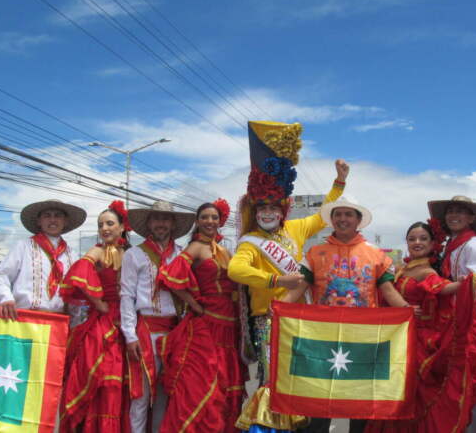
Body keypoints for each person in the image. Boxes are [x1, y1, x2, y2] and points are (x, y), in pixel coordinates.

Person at [228, 120, 348, 432]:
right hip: (267, 319)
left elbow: (323, 215)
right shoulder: (251, 242)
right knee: (272, 380)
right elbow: (236, 269)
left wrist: (339, 182)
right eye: (262, 208)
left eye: (273, 207)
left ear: (283, 210)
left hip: (298, 316)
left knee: (297, 377)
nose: (268, 212)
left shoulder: (295, 229)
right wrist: (277, 281)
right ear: (255, 212)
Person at [296, 197, 407, 433]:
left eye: (348, 214)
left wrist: (408, 311)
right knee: (320, 401)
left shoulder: (376, 255)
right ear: (332, 219)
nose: (342, 219)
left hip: (363, 339)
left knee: (360, 401)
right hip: (323, 338)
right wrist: (277, 309)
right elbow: (299, 288)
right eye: (338, 214)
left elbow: (388, 291)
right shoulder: (314, 253)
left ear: (358, 220)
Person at [365, 219, 476, 433]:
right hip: (398, 337)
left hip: (418, 340)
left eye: (423, 238)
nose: (417, 242)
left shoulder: (427, 272)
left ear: (432, 244)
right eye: (412, 239)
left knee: (414, 394)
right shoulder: (403, 269)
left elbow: (443, 288)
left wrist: (465, 283)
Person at [158, 199, 243, 433]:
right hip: (207, 325)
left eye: (214, 217)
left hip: (229, 325)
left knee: (224, 385)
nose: (209, 221)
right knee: (202, 385)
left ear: (220, 221)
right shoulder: (195, 247)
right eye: (204, 217)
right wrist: (194, 304)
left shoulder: (225, 251)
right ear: (197, 221)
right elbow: (169, 278)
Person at [120, 200, 194, 433]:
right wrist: (130, 335)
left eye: (165, 219)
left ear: (173, 224)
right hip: (145, 331)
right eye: (156, 219)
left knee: (165, 394)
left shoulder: (182, 255)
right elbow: (127, 295)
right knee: (141, 396)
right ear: (149, 223)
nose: (161, 224)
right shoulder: (134, 254)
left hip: (175, 333)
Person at [59, 201, 132, 433]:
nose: (104, 229)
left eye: (110, 223)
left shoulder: (132, 254)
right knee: (103, 379)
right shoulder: (97, 251)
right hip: (103, 322)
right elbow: (79, 272)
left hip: (128, 321)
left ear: (122, 227)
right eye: (101, 225)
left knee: (123, 384)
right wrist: (98, 302)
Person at [427, 195, 476, 433]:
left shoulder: (474, 245)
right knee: (454, 383)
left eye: (460, 211)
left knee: (467, 380)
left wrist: (465, 313)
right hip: (452, 322)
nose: (453, 216)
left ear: (471, 218)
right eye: (450, 211)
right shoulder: (454, 245)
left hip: (466, 323)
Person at [0, 199, 86, 319]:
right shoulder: (23, 246)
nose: (52, 220)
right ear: (39, 221)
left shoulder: (72, 255)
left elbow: (76, 293)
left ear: (65, 221)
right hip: (24, 319)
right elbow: (0, 276)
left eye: (58, 216)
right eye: (47, 216)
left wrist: (74, 321)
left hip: (59, 321)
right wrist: (5, 298)